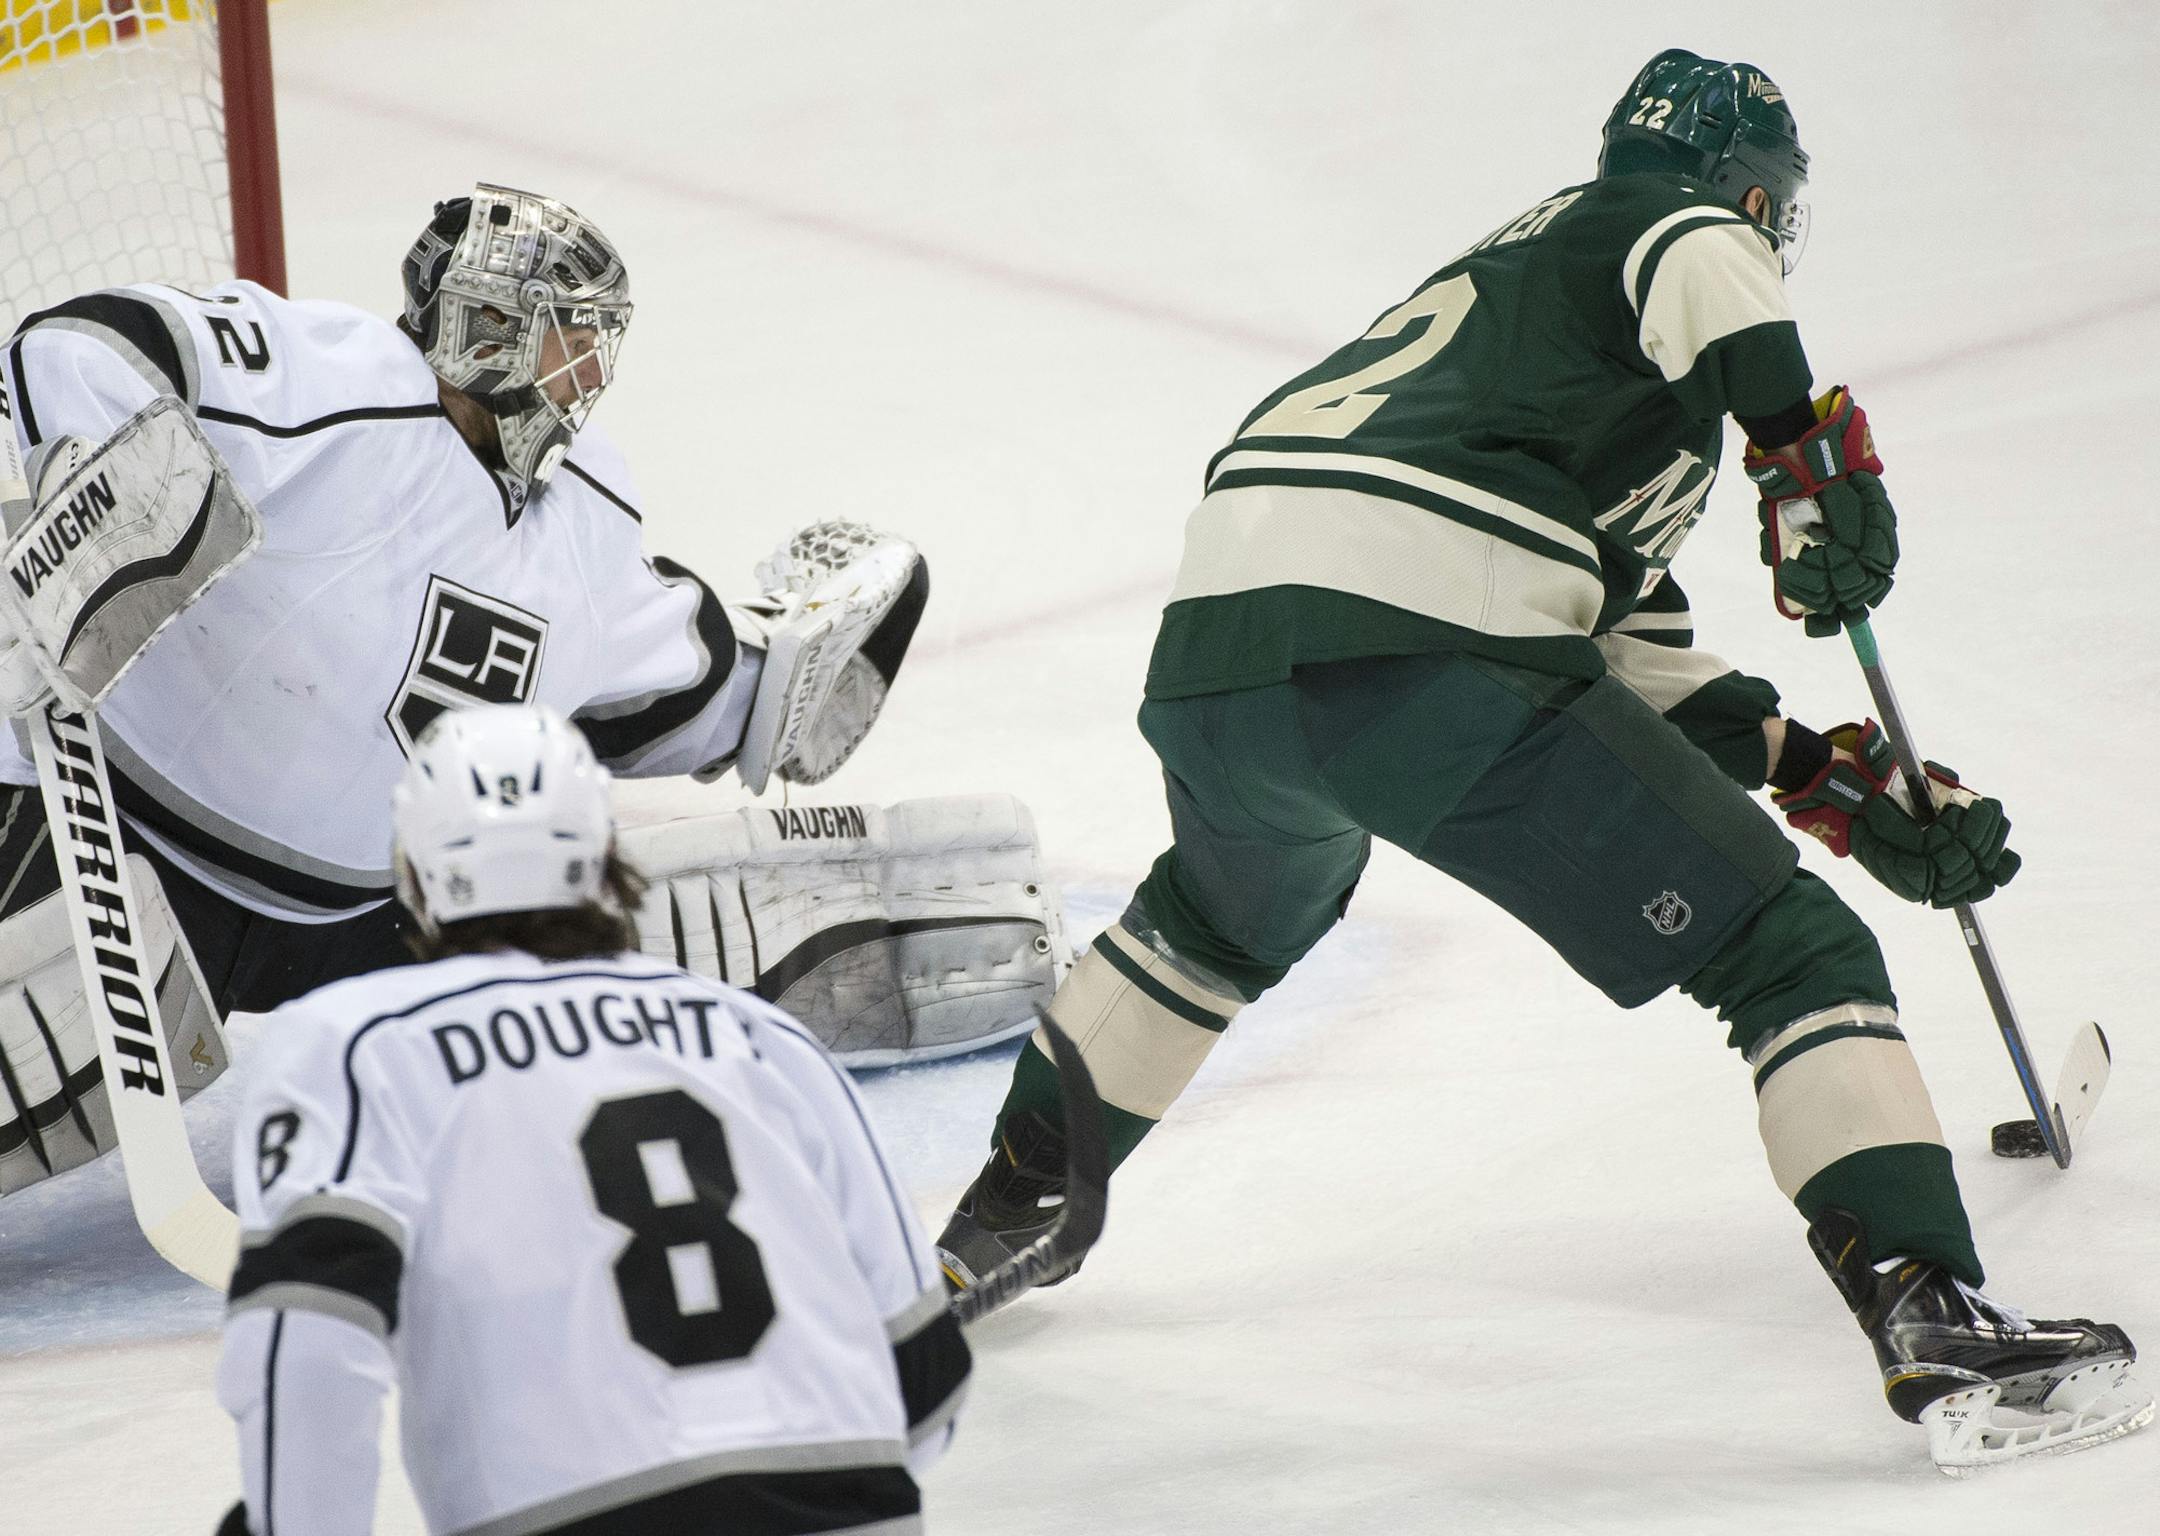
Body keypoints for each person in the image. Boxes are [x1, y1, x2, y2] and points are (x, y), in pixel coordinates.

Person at [936, 50, 2149, 1466]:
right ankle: (1930, 1312)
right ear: (1757, 195)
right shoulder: (1655, 227)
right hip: (1420, 639)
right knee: (1791, 954)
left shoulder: (1533, 338)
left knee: (1206, 926)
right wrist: (1810, 456)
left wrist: (1828, 772)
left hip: (1222, 645)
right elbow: (1702, 252)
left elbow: (1620, 657)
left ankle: (1008, 1208)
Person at [0, 183, 945, 1198]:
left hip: (366, 925)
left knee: (580, 1025)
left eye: (594, 341)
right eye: (564, 335)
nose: (582, 368)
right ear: (483, 321)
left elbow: (693, 699)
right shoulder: (331, 375)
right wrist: (90, 495)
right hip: (109, 834)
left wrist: (790, 673)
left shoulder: (588, 516)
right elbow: (74, 347)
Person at [213, 702, 970, 1536]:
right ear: (607, 858)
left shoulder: (356, 1043)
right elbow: (926, 1384)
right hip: (850, 1507)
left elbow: (311, 1343)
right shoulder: (760, 1036)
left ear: (416, 875)